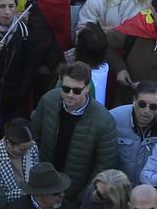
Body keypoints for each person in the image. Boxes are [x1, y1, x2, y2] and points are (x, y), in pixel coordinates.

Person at [31, 61, 120, 199]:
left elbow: (104, 165)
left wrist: (84, 196)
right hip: (44, 184)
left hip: (75, 193)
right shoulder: (48, 100)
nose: (70, 94)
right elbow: (34, 136)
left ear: (87, 88)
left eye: (77, 90)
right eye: (66, 89)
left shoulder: (104, 120)